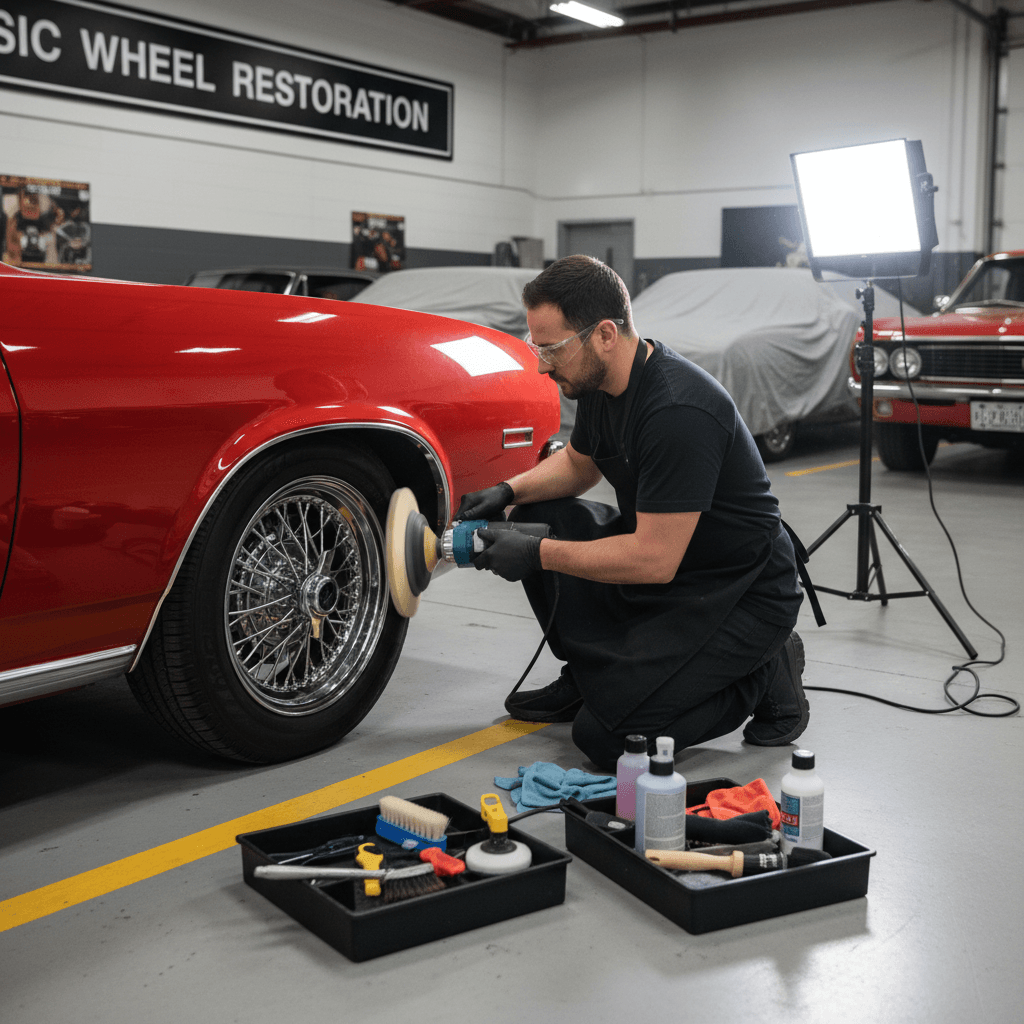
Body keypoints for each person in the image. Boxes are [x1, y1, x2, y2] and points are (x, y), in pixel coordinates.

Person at [458, 254, 811, 772]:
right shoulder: (601, 383)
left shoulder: (676, 411)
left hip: (738, 589)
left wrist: (536, 553)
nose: (540, 364)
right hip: (674, 564)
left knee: (610, 739)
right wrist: (507, 490)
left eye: (551, 348)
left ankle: (765, 671)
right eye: (536, 346)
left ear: (604, 334)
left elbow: (653, 561)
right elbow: (579, 465)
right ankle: (590, 673)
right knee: (536, 510)